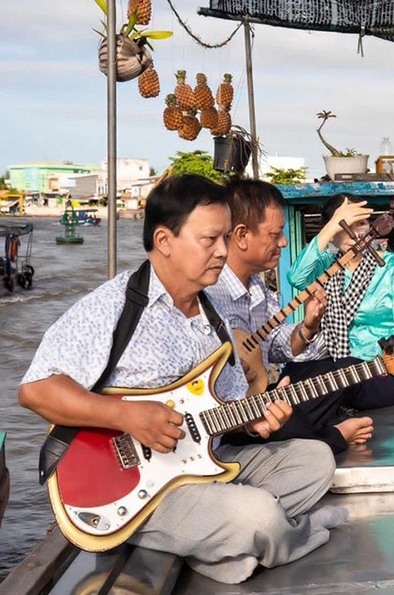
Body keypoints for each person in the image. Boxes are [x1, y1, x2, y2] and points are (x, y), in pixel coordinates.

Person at [18, 175, 344, 584]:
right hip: (138, 490)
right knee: (259, 514)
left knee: (315, 460)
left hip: (203, 465)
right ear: (164, 240)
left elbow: (224, 410)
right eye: (210, 239)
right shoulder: (113, 307)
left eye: (225, 238)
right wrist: (127, 417)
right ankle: (288, 533)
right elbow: (35, 390)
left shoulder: (213, 319)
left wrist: (252, 422)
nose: (223, 251)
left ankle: (222, 546)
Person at [206, 178, 374, 454]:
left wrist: (308, 325)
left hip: (258, 397)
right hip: (228, 418)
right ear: (241, 235)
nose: (284, 242)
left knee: (340, 370)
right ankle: (333, 437)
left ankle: (312, 435)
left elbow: (277, 345)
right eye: (275, 235)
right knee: (287, 416)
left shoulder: (257, 288)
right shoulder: (210, 292)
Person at [284, 193, 394, 409]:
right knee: (292, 372)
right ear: (331, 233)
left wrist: (384, 357)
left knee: (336, 374)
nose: (357, 232)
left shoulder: (392, 265)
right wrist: (332, 225)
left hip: (379, 368)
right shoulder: (324, 266)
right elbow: (296, 277)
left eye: (362, 223)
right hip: (332, 366)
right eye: (346, 224)